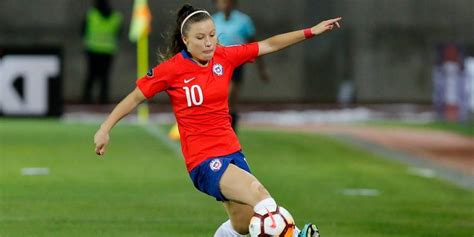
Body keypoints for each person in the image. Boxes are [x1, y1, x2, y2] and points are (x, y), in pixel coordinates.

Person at [94, 4, 341, 236]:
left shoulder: (225, 57)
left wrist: (312, 31)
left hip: (232, 151)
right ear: (186, 41)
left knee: (242, 224)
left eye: (212, 35)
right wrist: (105, 128)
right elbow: (135, 97)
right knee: (262, 199)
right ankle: (296, 234)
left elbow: (268, 45)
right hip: (203, 160)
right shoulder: (172, 70)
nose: (209, 42)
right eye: (200, 38)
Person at [212, 0, 269, 132]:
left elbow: (255, 45)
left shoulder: (243, 21)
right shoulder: (213, 20)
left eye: (226, 2)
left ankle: (231, 132)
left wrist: (262, 68)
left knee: (228, 100)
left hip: (235, 65)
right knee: (217, 101)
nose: (223, 5)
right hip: (216, 65)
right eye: (220, 2)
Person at [82, 0, 123, 104]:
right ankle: (103, 99)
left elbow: (82, 30)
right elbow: (119, 33)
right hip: (108, 50)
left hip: (92, 49)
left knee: (91, 75)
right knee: (104, 77)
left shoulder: (91, 14)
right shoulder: (116, 17)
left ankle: (87, 99)